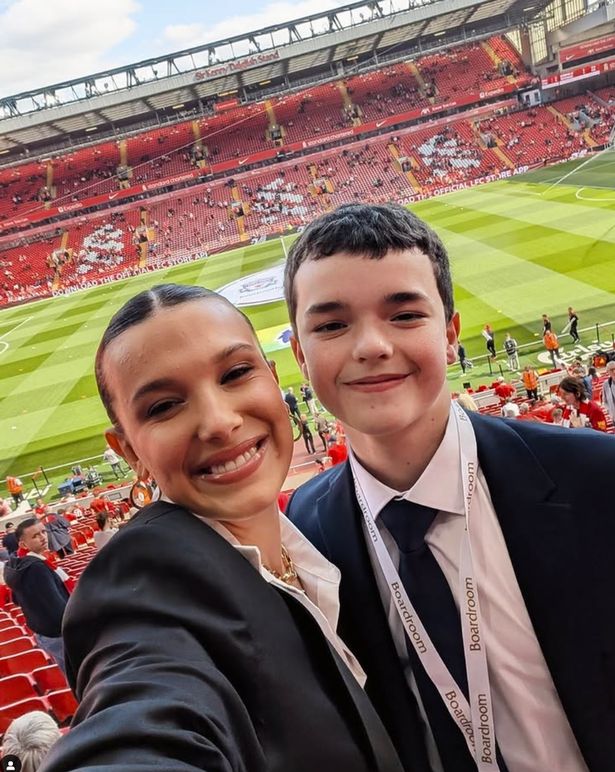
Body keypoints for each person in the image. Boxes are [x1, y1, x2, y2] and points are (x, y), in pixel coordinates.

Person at [284, 202, 615, 772]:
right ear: (299, 354)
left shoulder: (597, 479)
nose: (371, 346)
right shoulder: (308, 528)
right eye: (332, 325)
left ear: (451, 332)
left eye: (405, 314)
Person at [40, 284, 401, 772]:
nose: (218, 421)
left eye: (235, 374)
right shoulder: (142, 583)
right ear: (128, 451)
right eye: (163, 406)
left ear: (275, 381)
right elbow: (144, 719)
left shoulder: (316, 534)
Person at [4, 519, 70, 673]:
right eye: (35, 536)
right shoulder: (36, 567)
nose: (43, 537)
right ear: (23, 544)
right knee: (84, 681)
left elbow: (16, 599)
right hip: (59, 635)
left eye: (43, 532)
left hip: (44, 632)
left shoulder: (19, 564)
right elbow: (58, 608)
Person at [601, 360, 615, 425]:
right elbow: (605, 401)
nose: (614, 371)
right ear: (608, 372)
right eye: (611, 370)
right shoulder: (606, 384)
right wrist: (610, 411)